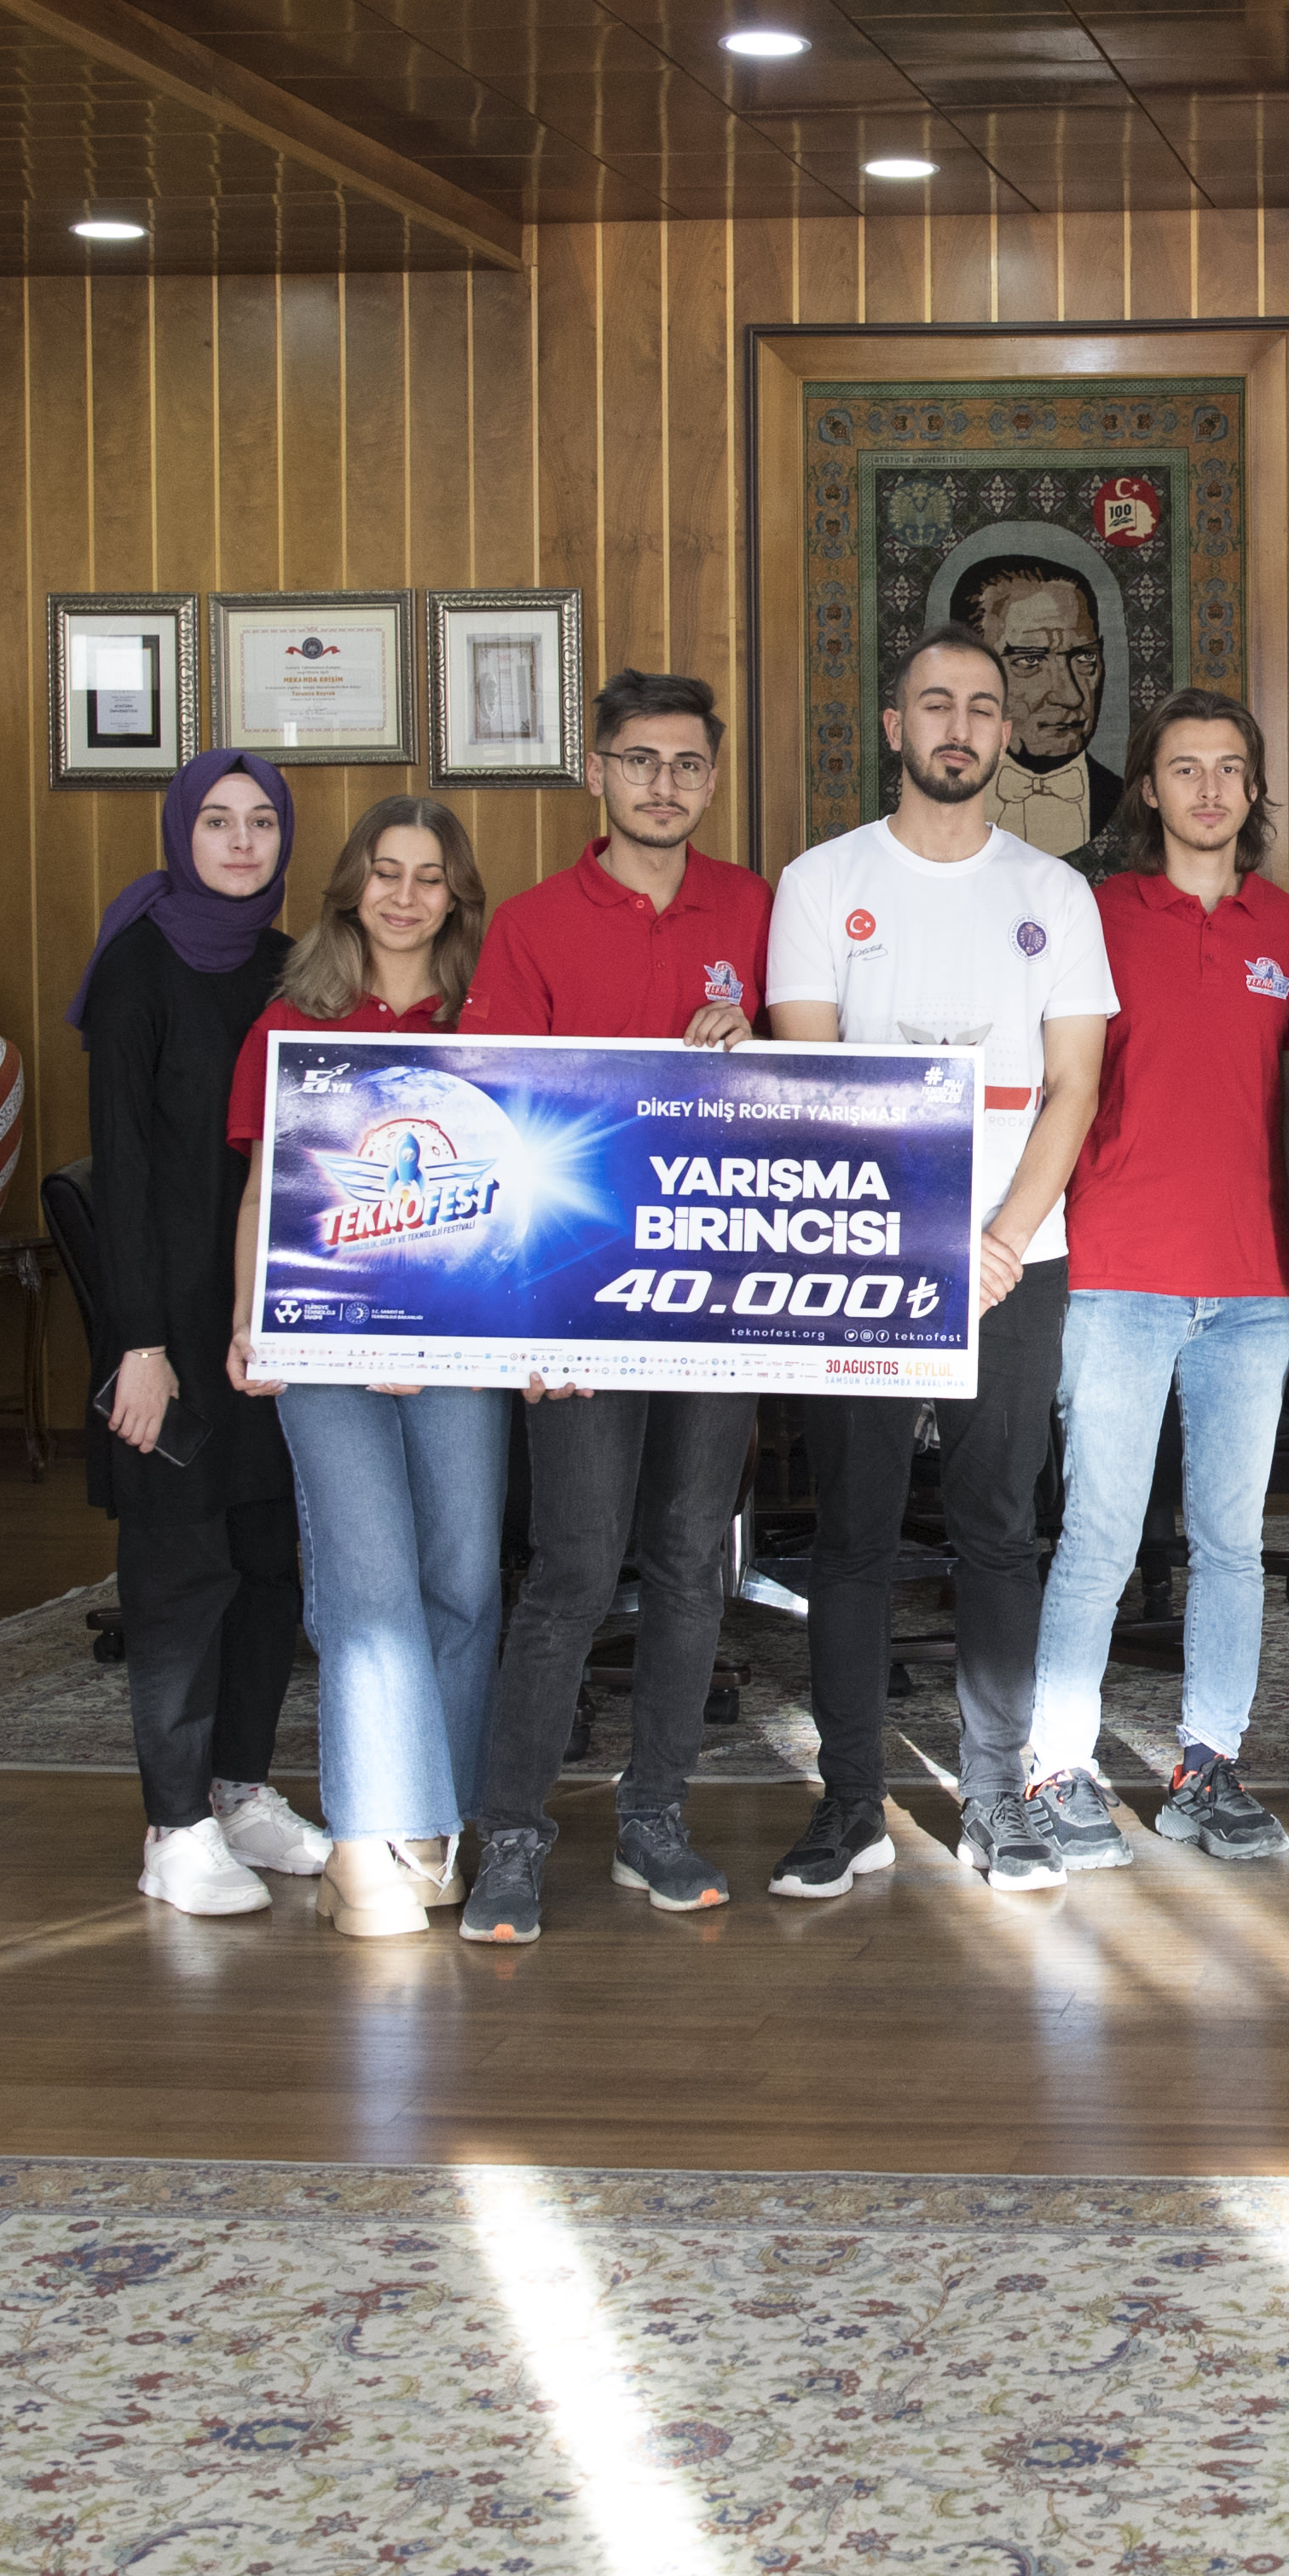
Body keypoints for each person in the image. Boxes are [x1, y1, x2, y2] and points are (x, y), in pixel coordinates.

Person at [761, 626, 1115, 1895]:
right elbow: (814, 1081)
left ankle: (997, 1801)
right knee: (853, 1532)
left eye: (980, 707)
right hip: (865, 1255)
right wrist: (924, 1243)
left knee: (998, 1532)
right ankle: (851, 1803)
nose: (958, 727)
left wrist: (999, 1241)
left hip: (1019, 1261)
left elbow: (1075, 1086)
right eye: (934, 704)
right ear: (895, 726)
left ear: (1005, 734)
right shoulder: (820, 883)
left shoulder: (1054, 894)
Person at [450, 673, 772, 1944]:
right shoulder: (533, 925)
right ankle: (512, 1834)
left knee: (691, 1562)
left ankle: (655, 1817)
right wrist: (525, 1323)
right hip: (577, 1296)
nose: (663, 785)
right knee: (576, 1567)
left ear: (712, 777)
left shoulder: (755, 908)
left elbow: (819, 1085)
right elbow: (498, 1125)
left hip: (722, 1289)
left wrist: (759, 1043)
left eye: (687, 764)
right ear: (597, 771)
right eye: (640, 760)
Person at [1019, 688, 1289, 1872]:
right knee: (1099, 1536)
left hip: (1254, 1286)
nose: (1209, 789)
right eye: (1185, 768)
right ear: (1146, 788)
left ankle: (1208, 1767)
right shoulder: (1092, 916)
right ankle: (1057, 1768)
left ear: (1254, 790)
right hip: (1117, 1276)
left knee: (1232, 1542)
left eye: (1230, 768)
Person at [229, 794, 512, 1938]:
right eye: (385, 872)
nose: (404, 895)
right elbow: (266, 1191)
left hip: (463, 1339)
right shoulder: (292, 1020)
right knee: (370, 1583)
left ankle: (438, 1827)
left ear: (457, 895)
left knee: (464, 1582)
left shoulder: (495, 1016)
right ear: (352, 886)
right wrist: (247, 1321)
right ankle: (375, 1837)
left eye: (429, 875)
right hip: (328, 1342)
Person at [79, 749, 334, 1917]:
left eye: (262, 823)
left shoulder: (293, 969)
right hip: (167, 1328)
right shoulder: (137, 967)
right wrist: (138, 1343)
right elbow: (123, 1172)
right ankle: (173, 1826)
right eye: (218, 821)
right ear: (182, 831)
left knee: (268, 1564)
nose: (240, 842)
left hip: (268, 1319)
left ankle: (241, 1791)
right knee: (181, 1576)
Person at [952, 556, 1124, 861]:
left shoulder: (1131, 802)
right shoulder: (938, 801)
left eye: (1085, 658)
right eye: (1030, 661)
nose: (1071, 696)